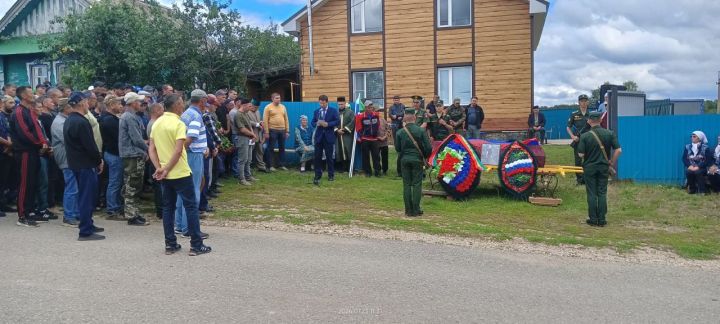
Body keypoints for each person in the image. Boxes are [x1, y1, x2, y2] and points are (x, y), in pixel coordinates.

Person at [148, 94, 211, 256]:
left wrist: (159, 168)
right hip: (180, 171)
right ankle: (196, 245)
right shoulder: (178, 123)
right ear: (176, 105)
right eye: (181, 103)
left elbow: (152, 149)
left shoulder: (157, 123)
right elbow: (178, 150)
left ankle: (170, 244)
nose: (183, 106)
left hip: (164, 173)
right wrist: (167, 168)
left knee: (168, 208)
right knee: (190, 206)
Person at [63, 91, 105, 240]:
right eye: (86, 102)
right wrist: (98, 160)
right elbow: (90, 145)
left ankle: (88, 223)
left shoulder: (70, 119)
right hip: (85, 164)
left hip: (77, 163)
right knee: (87, 197)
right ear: (81, 103)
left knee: (85, 195)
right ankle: (85, 230)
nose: (88, 104)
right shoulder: (81, 121)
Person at [9, 86, 48, 226]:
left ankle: (30, 211)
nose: (34, 95)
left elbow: (36, 128)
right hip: (24, 152)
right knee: (25, 183)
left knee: (32, 182)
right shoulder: (19, 112)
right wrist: (39, 143)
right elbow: (24, 132)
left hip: (33, 151)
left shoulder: (29, 111)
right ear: (24, 96)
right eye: (31, 93)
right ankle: (22, 215)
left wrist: (43, 141)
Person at [175, 89, 210, 239]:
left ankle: (179, 224)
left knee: (183, 190)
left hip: (187, 154)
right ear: (201, 101)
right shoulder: (197, 116)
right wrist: (184, 150)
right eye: (206, 101)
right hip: (194, 155)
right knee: (194, 190)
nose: (206, 104)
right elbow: (190, 138)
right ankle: (189, 228)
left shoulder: (186, 113)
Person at [577, 111, 622, 227]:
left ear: (589, 121)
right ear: (601, 120)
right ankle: (602, 219)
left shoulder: (585, 136)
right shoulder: (609, 133)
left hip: (589, 168)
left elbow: (581, 155)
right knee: (602, 192)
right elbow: (618, 150)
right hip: (603, 167)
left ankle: (593, 219)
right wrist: (612, 161)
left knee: (591, 193)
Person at [119, 92, 150, 225]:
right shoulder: (130, 117)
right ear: (132, 103)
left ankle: (132, 211)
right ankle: (131, 215)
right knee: (133, 184)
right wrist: (147, 148)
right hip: (132, 154)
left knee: (131, 183)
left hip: (131, 153)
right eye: (138, 102)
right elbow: (136, 138)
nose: (140, 104)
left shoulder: (129, 116)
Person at [395, 108, 432, 217]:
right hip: (417, 160)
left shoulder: (400, 132)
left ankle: (408, 210)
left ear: (405, 118)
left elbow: (397, 148)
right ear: (415, 117)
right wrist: (424, 157)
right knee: (417, 184)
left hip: (404, 160)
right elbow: (428, 148)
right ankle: (416, 210)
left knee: (406, 184)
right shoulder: (421, 131)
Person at [52, 98, 78, 226]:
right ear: (66, 108)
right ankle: (68, 215)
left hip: (72, 158)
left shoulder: (65, 120)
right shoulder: (59, 122)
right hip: (66, 159)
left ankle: (76, 213)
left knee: (75, 187)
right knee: (71, 187)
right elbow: (69, 139)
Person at [99, 95, 124, 218]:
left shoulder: (108, 118)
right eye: (119, 104)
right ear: (112, 105)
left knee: (114, 181)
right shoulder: (110, 120)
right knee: (114, 182)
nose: (121, 107)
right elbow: (118, 138)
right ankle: (112, 208)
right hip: (114, 154)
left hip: (111, 152)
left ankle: (115, 206)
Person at [311, 95, 339, 185]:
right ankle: (317, 175)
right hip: (319, 138)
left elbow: (337, 121)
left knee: (329, 157)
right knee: (317, 157)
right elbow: (312, 122)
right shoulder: (316, 111)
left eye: (323, 103)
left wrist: (328, 124)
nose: (321, 104)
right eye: (320, 103)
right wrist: (317, 123)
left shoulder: (333, 111)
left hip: (329, 137)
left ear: (327, 102)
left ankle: (331, 175)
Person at [567, 94, 591, 185]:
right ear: (579, 102)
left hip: (588, 140)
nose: (583, 103)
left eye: (585, 101)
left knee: (588, 160)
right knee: (578, 161)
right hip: (578, 141)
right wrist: (573, 137)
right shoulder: (574, 114)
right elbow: (568, 127)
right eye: (582, 101)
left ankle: (587, 178)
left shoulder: (591, 114)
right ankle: (579, 179)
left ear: (588, 102)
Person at [263, 93, 290, 171]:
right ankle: (270, 166)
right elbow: (265, 120)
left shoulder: (283, 107)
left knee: (282, 148)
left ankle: (282, 165)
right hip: (272, 130)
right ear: (272, 99)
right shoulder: (268, 107)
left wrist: (287, 131)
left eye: (279, 98)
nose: (279, 99)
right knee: (270, 148)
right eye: (277, 98)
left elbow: (286, 119)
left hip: (282, 130)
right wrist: (266, 132)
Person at [0, 95, 17, 216]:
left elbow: (8, 131)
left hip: (9, 151)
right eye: (10, 102)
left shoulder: (9, 116)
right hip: (3, 151)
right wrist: (8, 144)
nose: (13, 104)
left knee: (6, 181)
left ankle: (3, 204)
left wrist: (10, 145)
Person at [234, 98, 257, 186]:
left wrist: (252, 135)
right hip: (242, 138)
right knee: (242, 159)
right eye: (249, 106)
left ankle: (248, 176)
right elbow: (242, 129)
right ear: (244, 105)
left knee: (248, 159)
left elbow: (249, 125)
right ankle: (241, 179)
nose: (251, 108)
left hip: (248, 138)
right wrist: (253, 134)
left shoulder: (245, 113)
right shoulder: (238, 115)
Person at [355, 100, 381, 177]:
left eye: (371, 107)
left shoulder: (376, 115)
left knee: (376, 156)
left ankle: (377, 172)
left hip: (375, 139)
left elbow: (378, 124)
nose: (370, 109)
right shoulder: (360, 116)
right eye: (368, 107)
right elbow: (358, 127)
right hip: (365, 139)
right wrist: (359, 136)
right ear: (365, 108)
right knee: (365, 156)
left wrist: (376, 133)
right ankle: (368, 172)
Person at [334, 96, 355, 173]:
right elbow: (332, 122)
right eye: (339, 104)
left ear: (345, 103)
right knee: (339, 151)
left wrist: (345, 129)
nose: (340, 106)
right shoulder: (335, 113)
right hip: (338, 135)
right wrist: (337, 130)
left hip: (347, 135)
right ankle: (342, 168)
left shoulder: (350, 112)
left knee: (347, 149)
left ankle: (349, 168)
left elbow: (352, 122)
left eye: (342, 104)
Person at [247, 99, 267, 172]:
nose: (256, 109)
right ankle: (248, 168)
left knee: (260, 151)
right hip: (251, 135)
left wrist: (260, 123)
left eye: (257, 107)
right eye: (255, 107)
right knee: (249, 152)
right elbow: (247, 121)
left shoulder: (258, 112)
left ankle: (261, 167)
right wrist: (257, 124)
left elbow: (259, 121)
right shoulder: (247, 112)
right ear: (251, 105)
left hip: (259, 135)